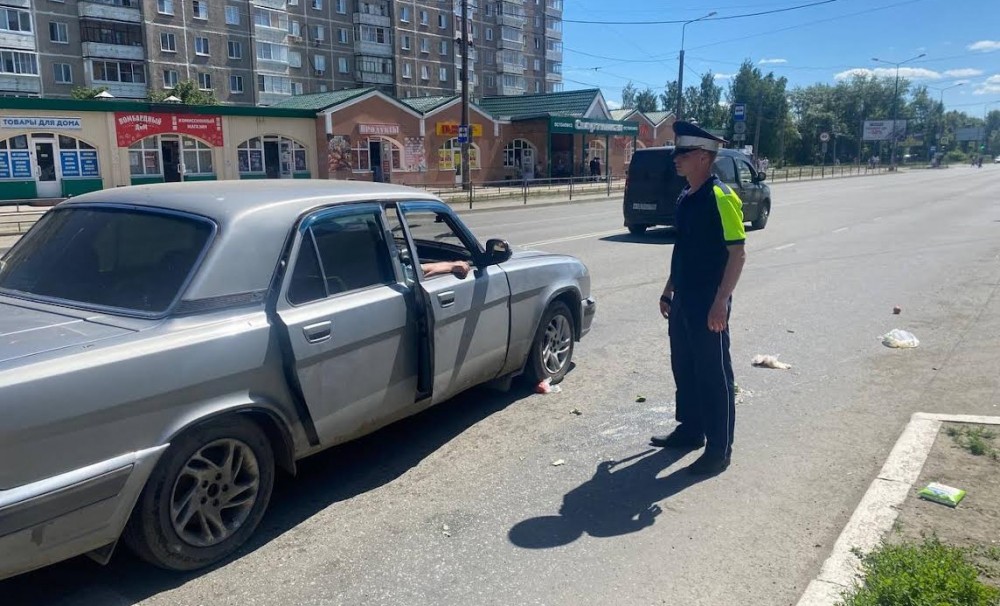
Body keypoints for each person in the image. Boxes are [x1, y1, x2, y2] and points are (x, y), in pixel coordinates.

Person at [651, 121, 747, 476]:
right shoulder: (686, 196)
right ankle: (691, 430)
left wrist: (722, 300)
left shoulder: (722, 197)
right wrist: (668, 289)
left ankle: (720, 449)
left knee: (714, 373)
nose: (676, 159)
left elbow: (737, 254)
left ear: (704, 158)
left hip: (709, 299)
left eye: (683, 153)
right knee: (685, 366)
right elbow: (683, 250)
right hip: (683, 298)